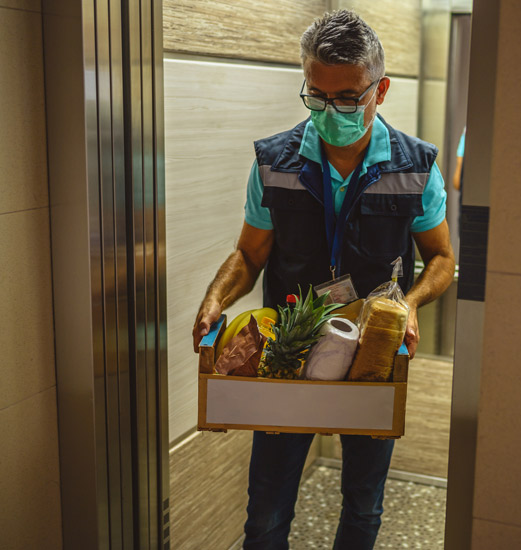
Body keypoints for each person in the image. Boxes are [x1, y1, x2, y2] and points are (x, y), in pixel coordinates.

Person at [192, 10, 456, 550]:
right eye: (317, 95)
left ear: (380, 90)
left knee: (362, 505)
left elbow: (442, 259)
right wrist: (216, 298)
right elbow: (250, 251)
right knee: (265, 513)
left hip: (373, 354)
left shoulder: (417, 167)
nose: (330, 111)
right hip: (286, 355)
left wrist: (409, 305)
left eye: (347, 97)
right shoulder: (274, 162)